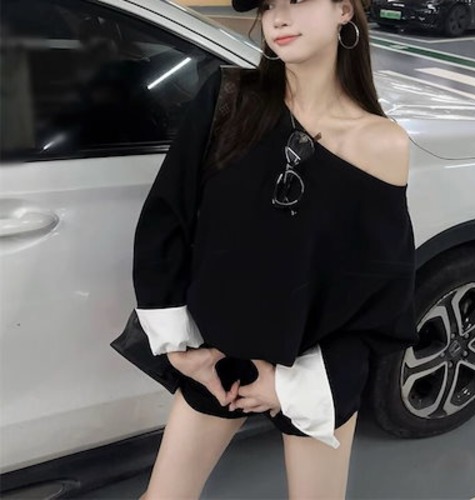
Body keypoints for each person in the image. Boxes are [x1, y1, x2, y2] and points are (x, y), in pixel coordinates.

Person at [134, 0, 419, 498]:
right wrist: (181, 349)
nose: (279, 18)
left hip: (314, 370)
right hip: (216, 357)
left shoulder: (382, 144)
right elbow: (166, 217)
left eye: (297, 0)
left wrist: (289, 386)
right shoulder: (230, 100)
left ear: (344, 10)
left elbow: (381, 295)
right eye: (268, 6)